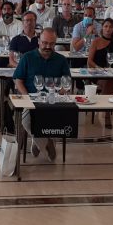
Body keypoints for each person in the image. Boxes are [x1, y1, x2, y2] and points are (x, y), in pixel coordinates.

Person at [13, 28, 71, 162]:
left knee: (61, 118)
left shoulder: (61, 60)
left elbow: (66, 82)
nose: (48, 47)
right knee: (26, 121)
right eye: (45, 43)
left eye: (51, 44)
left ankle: (37, 140)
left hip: (53, 100)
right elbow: (18, 80)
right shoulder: (27, 57)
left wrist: (60, 92)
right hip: (31, 98)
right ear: (38, 42)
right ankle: (46, 142)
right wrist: (27, 97)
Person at [88, 18, 113, 128]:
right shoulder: (96, 41)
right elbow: (89, 60)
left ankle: (103, 108)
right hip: (98, 74)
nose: (108, 29)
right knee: (107, 81)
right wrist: (98, 68)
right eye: (106, 26)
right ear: (102, 28)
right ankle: (107, 113)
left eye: (110, 27)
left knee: (110, 80)